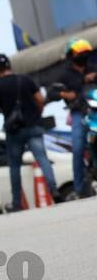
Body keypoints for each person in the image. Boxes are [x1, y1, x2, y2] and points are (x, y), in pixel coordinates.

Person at [0, 53, 59, 208]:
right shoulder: (25, 79)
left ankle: (16, 202)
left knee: (14, 166)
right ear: (9, 66)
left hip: (14, 131)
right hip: (33, 126)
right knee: (42, 159)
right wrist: (36, 113)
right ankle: (54, 190)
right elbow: (40, 99)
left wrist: (7, 109)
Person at [55, 38, 95, 198]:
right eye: (78, 53)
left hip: (95, 111)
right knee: (77, 149)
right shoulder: (65, 76)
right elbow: (52, 92)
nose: (82, 55)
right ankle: (79, 188)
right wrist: (65, 93)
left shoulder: (92, 69)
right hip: (79, 114)